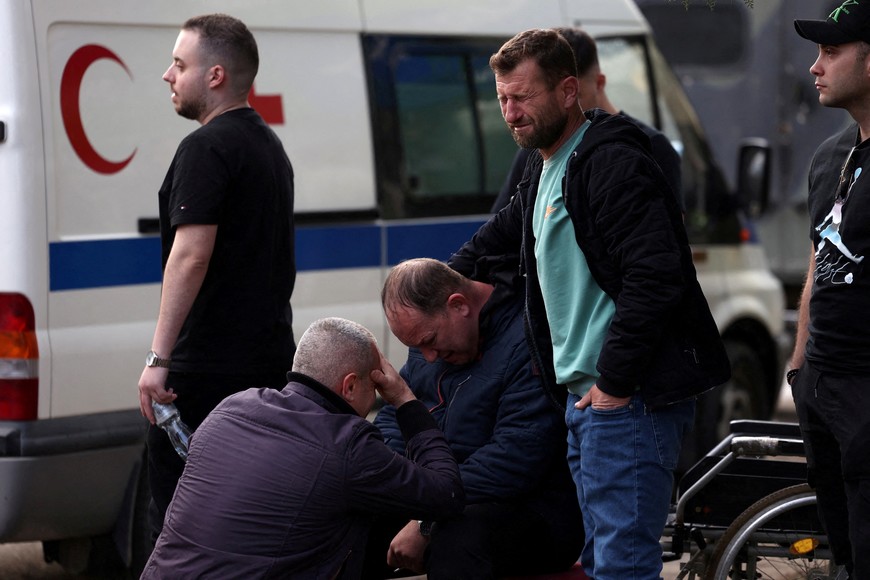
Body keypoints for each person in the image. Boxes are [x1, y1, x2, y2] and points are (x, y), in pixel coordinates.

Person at [448, 29, 730, 579]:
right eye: (502, 98)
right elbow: (495, 240)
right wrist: (433, 283)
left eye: (523, 97)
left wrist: (615, 384)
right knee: (602, 561)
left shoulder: (610, 161)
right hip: (588, 404)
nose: (511, 113)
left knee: (622, 566)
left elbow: (655, 278)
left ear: (568, 90)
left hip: (628, 401)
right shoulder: (543, 166)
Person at [141, 317, 464, 579]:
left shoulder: (232, 407)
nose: (376, 395)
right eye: (375, 385)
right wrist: (405, 400)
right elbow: (446, 493)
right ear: (350, 386)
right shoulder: (347, 443)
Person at [136, 13, 296, 539]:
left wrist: (159, 361)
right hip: (267, 366)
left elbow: (190, 256)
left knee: (181, 533)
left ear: (216, 75)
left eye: (179, 64)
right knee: (247, 527)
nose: (168, 74)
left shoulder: (205, 147)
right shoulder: (268, 146)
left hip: (204, 376)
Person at [364, 258, 583, 579]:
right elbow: (399, 416)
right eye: (416, 347)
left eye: (429, 341)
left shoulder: (529, 340)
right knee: (350, 523)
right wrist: (375, 475)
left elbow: (513, 460)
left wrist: (426, 519)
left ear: (459, 305)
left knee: (457, 541)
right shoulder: (433, 343)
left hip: (531, 508)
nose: (428, 357)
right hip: (443, 495)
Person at [789, 3, 870, 577]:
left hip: (866, 388)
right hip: (821, 385)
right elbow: (820, 260)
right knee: (843, 558)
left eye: (831, 52)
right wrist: (799, 366)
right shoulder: (829, 156)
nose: (815, 67)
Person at [491, 27, 681, 213]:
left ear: (598, 83)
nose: (567, 105)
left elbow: (666, 227)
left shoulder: (649, 145)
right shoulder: (540, 146)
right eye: (504, 99)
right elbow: (504, 224)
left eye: (575, 94)